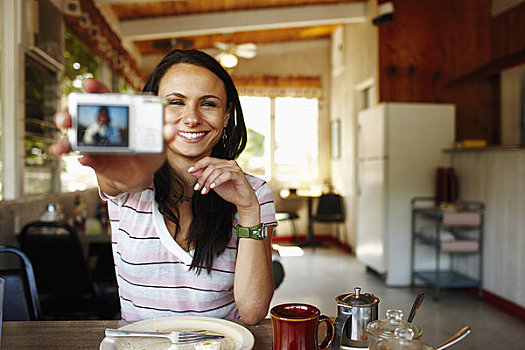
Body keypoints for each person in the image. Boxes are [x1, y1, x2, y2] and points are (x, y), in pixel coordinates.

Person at [51, 49, 277, 325]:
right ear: (152, 110)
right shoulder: (129, 187)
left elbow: (253, 312)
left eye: (208, 104)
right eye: (175, 102)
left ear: (227, 115)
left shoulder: (255, 193)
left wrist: (248, 208)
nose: (192, 118)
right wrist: (123, 171)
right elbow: (118, 179)